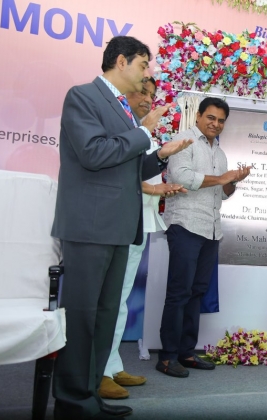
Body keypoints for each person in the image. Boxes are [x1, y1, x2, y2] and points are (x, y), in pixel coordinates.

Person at [51, 36, 192, 419]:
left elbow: (130, 167)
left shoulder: (123, 109)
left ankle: (90, 396)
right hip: (90, 226)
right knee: (82, 317)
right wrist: (144, 132)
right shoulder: (83, 96)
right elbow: (94, 153)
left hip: (118, 227)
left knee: (102, 318)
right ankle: (72, 402)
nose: (147, 74)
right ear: (120, 62)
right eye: (143, 65)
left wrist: (159, 154)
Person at [99, 77, 186, 399]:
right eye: (142, 93)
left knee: (119, 300)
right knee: (106, 301)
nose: (149, 100)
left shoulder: (144, 133)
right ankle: (97, 371)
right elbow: (114, 172)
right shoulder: (118, 129)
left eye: (152, 94)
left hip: (139, 223)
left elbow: (141, 171)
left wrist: (161, 157)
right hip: (115, 224)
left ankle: (111, 365)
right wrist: (153, 188)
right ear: (123, 94)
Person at [157, 97, 251, 378]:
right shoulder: (183, 141)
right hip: (185, 225)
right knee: (179, 292)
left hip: (211, 229)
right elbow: (180, 177)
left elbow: (223, 193)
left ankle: (186, 352)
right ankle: (167, 357)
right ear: (198, 116)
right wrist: (221, 178)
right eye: (211, 117)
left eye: (221, 120)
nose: (216, 124)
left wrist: (233, 181)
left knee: (197, 292)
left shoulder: (219, 154)